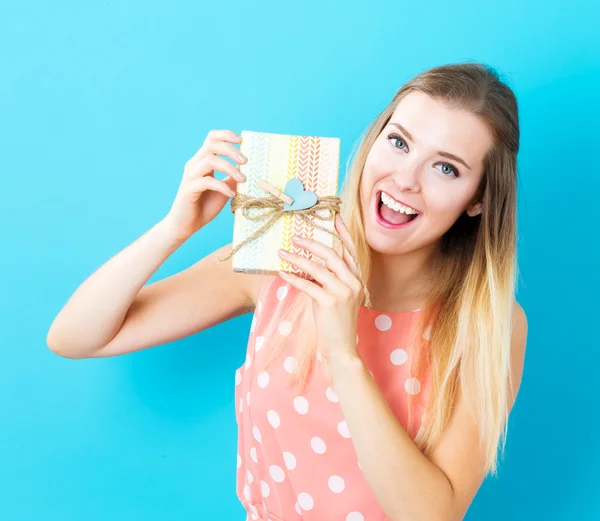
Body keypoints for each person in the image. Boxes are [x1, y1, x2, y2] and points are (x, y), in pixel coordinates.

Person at [47, 62, 528, 521]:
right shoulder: (285, 258)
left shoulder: (490, 323)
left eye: (446, 168)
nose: (405, 179)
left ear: (479, 200)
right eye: (399, 142)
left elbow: (430, 515)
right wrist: (175, 228)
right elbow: (75, 337)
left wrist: (344, 353)